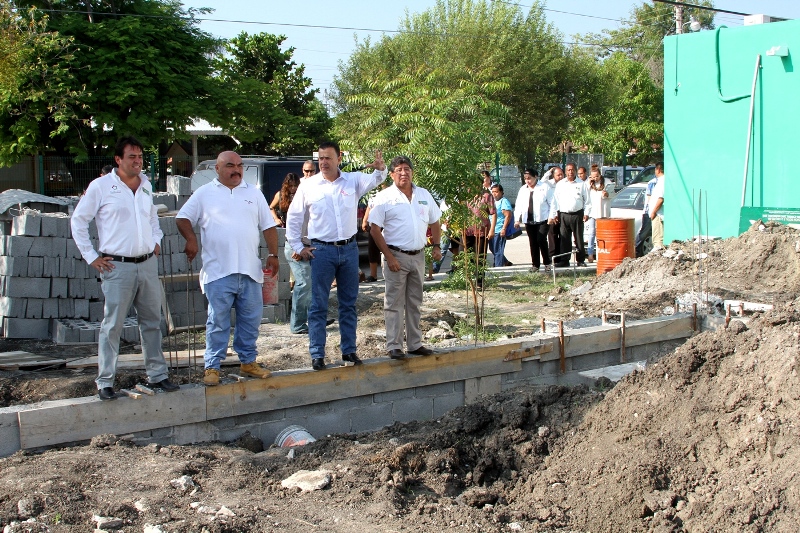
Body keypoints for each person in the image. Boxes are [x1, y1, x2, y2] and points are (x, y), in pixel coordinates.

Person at [71, 136, 179, 401]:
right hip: (116, 266)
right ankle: (105, 381)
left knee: (152, 322)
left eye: (140, 156)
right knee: (113, 325)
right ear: (118, 160)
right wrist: (91, 256)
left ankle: (157, 375)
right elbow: (79, 220)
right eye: (132, 157)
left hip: (146, 265)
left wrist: (156, 241)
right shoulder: (101, 187)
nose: (138, 161)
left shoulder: (145, 187)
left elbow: (152, 217)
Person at [176, 151, 279, 386]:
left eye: (240, 166)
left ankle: (248, 362)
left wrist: (273, 254)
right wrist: (191, 240)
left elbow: (268, 226)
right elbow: (182, 218)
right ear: (218, 169)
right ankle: (212, 366)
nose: (237, 170)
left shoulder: (253, 193)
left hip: (250, 271)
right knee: (218, 321)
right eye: (231, 166)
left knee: (251, 320)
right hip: (218, 271)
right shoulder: (204, 193)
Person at [285, 142, 386, 371]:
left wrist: (380, 169)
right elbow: (294, 217)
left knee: (348, 304)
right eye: (320, 158)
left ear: (339, 158)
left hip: (349, 250)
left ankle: (349, 351)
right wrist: (298, 246)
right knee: (318, 305)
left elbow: (376, 179)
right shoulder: (308, 186)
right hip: (322, 251)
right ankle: (317, 355)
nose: (323, 162)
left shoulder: (352, 180)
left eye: (328, 158)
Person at [369, 156, 442, 359]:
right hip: (396, 257)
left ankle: (415, 344)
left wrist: (436, 246)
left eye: (407, 169)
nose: (404, 173)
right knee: (393, 303)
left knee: (414, 301)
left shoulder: (424, 195)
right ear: (392, 174)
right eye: (399, 170)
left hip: (418, 256)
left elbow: (435, 221)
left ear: (412, 172)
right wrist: (389, 257)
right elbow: (374, 229)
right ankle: (394, 345)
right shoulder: (384, 197)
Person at [549, 162, 591, 267]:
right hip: (564, 215)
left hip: (578, 214)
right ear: (565, 171)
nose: (570, 172)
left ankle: (580, 260)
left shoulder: (581, 184)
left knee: (579, 239)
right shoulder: (560, 184)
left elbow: (588, 201)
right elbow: (555, 201)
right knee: (564, 238)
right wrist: (554, 214)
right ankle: (564, 260)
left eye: (572, 170)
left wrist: (587, 213)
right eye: (568, 170)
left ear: (575, 171)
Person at [514, 168, 553, 272]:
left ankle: (547, 263)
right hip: (529, 220)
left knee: (541, 239)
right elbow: (518, 205)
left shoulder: (544, 187)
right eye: (525, 178)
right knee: (533, 242)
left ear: (536, 177)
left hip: (543, 219)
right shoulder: (523, 189)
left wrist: (551, 217)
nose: (527, 181)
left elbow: (552, 203)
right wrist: (517, 219)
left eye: (529, 178)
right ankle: (535, 265)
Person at [584, 165, 610, 263]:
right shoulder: (589, 184)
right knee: (591, 234)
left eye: (597, 176)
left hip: (603, 212)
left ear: (600, 174)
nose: (595, 178)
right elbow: (584, 193)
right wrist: (589, 183)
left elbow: (612, 193)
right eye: (593, 177)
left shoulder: (606, 182)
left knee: (603, 235)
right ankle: (590, 254)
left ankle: (602, 253)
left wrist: (607, 194)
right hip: (592, 213)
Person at [635, 172, 659, 257]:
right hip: (649, 212)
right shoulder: (654, 182)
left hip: (656, 212)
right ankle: (636, 251)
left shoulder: (661, 182)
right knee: (644, 233)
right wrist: (652, 211)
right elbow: (650, 199)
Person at [489, 183, 513, 268]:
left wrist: (504, 228)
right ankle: (505, 262)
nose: (494, 194)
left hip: (499, 229)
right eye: (492, 192)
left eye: (496, 192)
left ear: (501, 192)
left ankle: (498, 267)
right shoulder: (492, 202)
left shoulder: (504, 201)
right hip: (492, 230)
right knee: (492, 248)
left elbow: (508, 215)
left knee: (498, 250)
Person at [649, 163, 665, 250]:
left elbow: (660, 199)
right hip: (657, 213)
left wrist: (654, 212)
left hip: (658, 215)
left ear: (658, 169)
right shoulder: (660, 181)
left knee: (657, 241)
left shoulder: (662, 181)